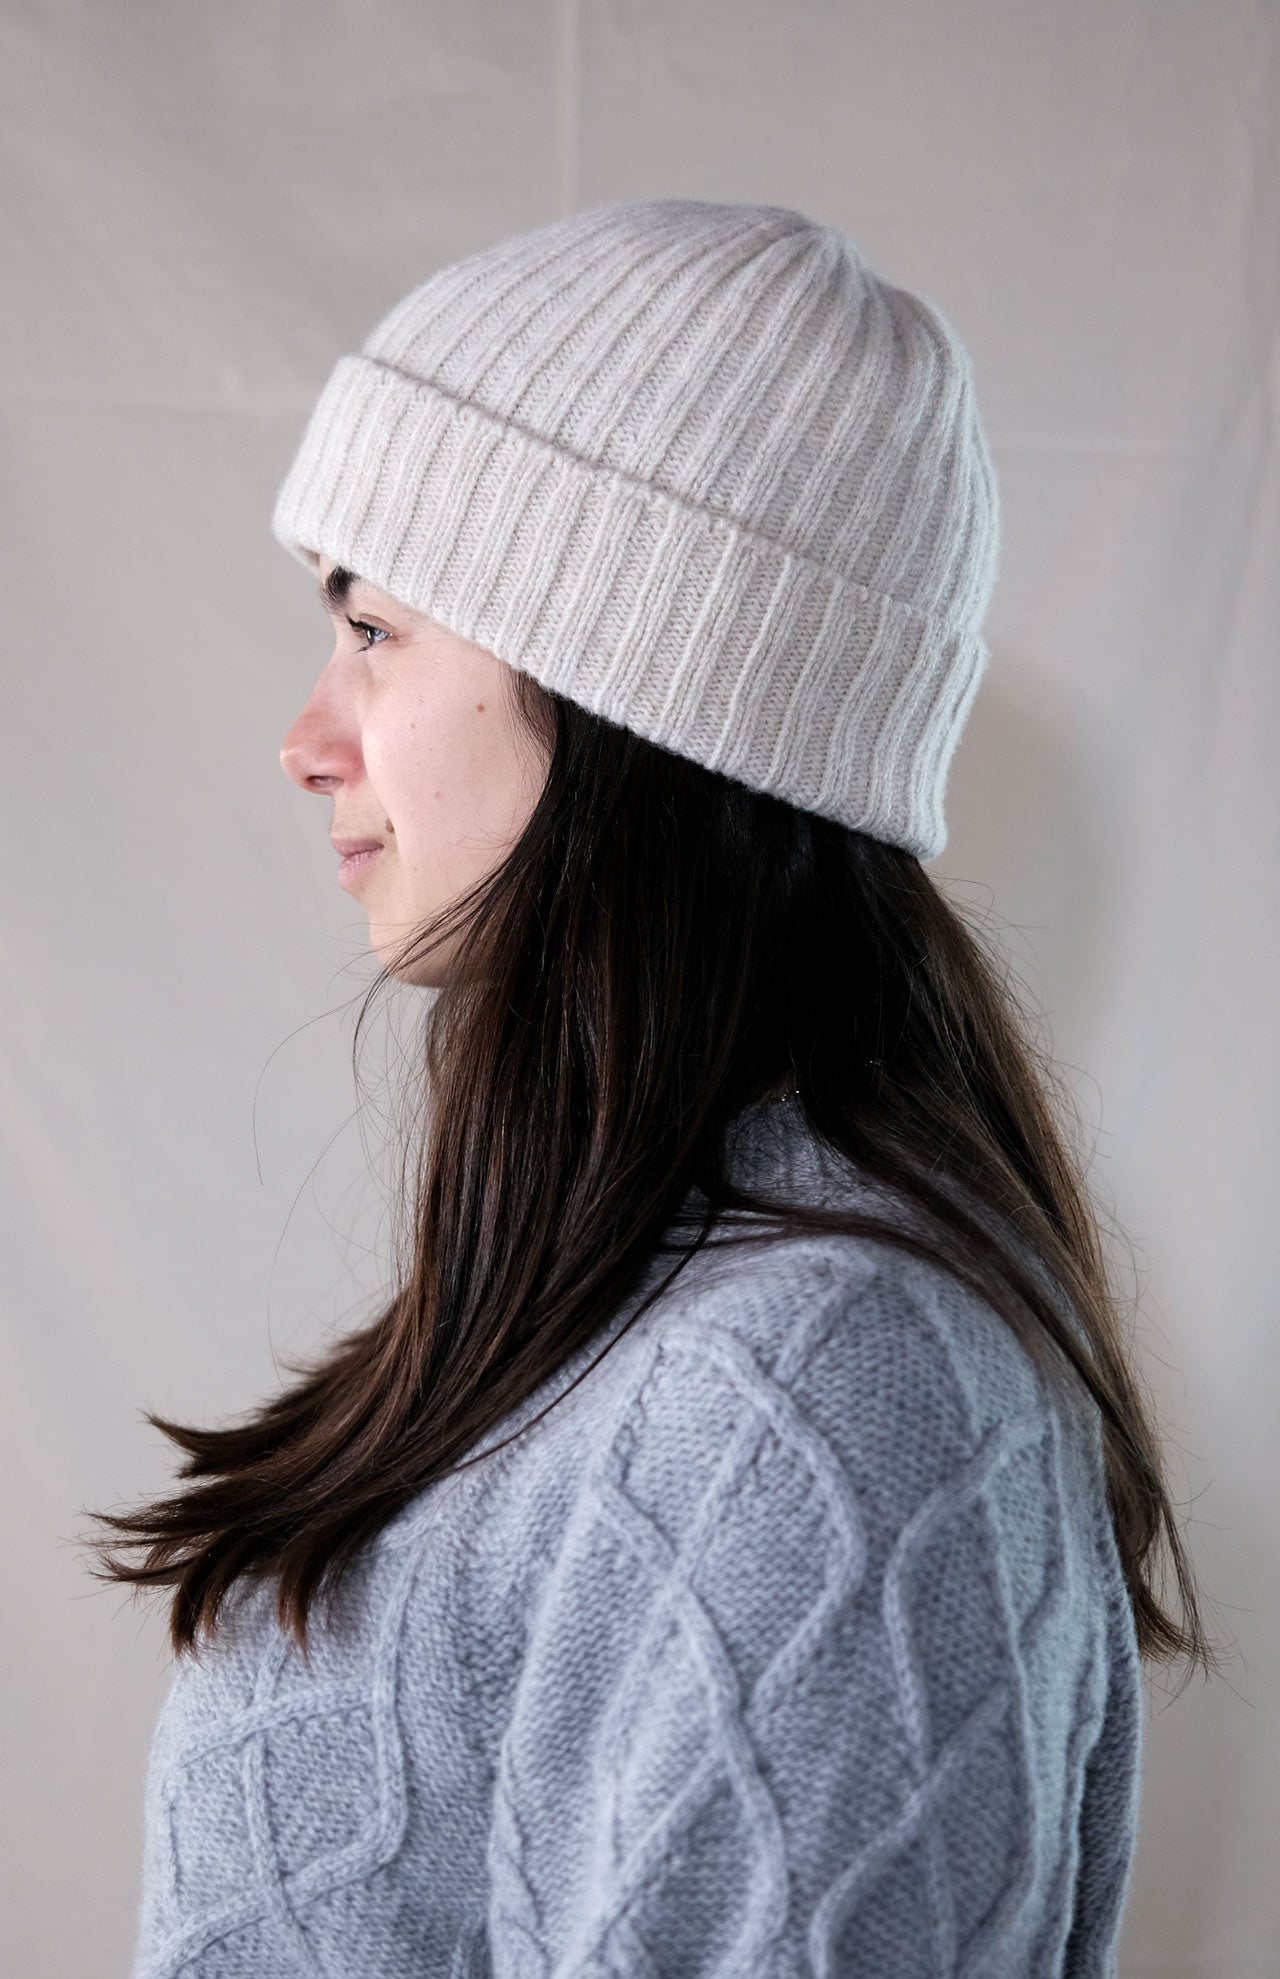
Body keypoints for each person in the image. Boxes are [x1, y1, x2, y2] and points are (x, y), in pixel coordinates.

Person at [91, 197, 1223, 1978]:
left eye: (374, 627)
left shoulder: (824, 1383)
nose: (308, 740)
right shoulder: (657, 1317)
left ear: (637, 685)